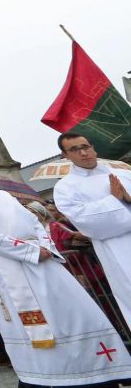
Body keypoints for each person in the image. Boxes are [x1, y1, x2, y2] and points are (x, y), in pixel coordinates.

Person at [0, 155, 131, 388]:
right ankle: (33, 384)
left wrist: (46, 245)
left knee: (79, 314)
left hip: (44, 263)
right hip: (11, 268)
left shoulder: (3, 195)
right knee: (30, 327)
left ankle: (104, 382)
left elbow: (34, 222)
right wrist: (31, 251)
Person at [54, 133, 131, 328]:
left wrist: (128, 198)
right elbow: (87, 222)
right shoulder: (65, 188)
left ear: (93, 147)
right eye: (74, 149)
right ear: (65, 155)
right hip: (116, 248)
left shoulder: (123, 174)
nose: (83, 152)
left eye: (85, 146)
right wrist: (114, 199)